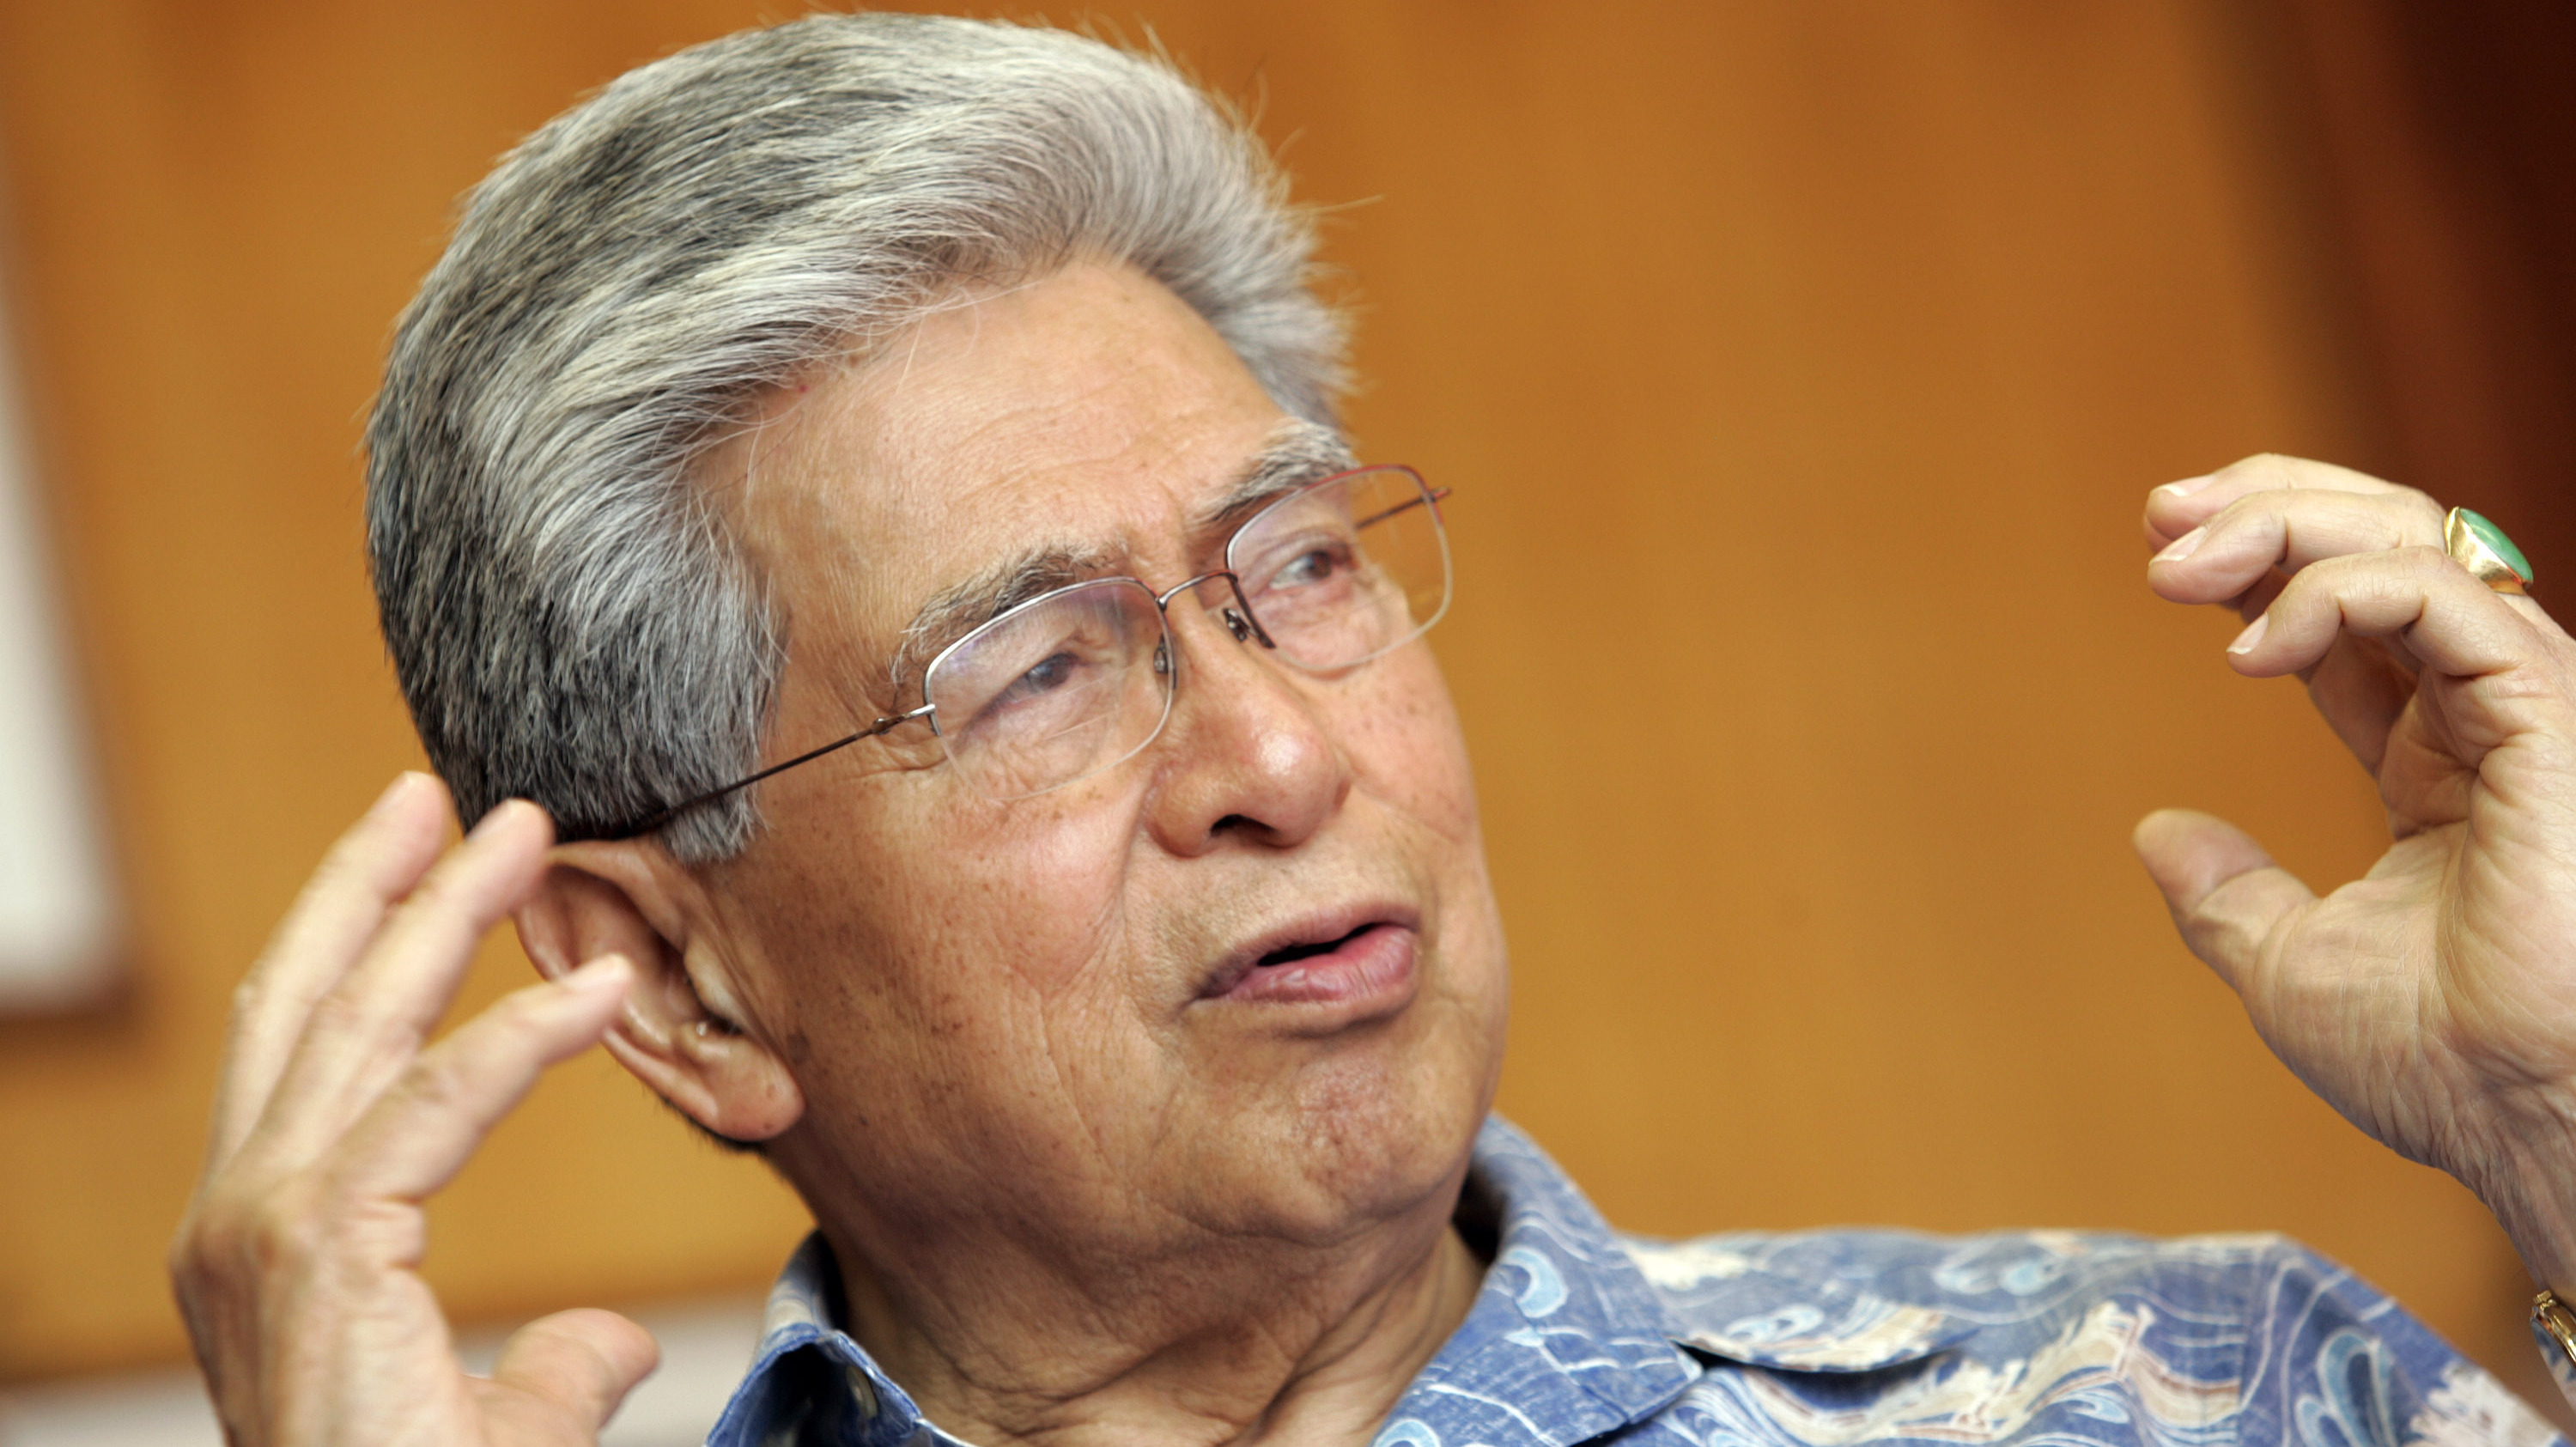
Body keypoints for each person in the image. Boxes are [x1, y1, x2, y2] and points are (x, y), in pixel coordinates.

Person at [165, 13, 2576, 1447]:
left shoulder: (2190, 1401)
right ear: (682, 983)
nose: (1281, 761)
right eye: (1033, 669)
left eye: (1295, 569)